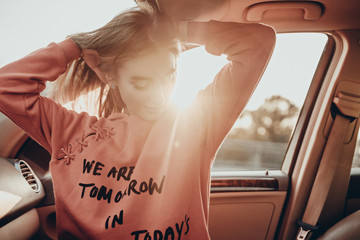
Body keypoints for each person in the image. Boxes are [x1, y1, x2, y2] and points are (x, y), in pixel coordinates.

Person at [0, 2, 275, 240]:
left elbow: (258, 43)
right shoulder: (71, 132)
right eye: (140, 82)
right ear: (109, 73)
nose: (158, 96)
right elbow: (6, 86)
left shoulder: (196, 125)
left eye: (168, 76)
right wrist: (78, 45)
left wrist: (178, 30)